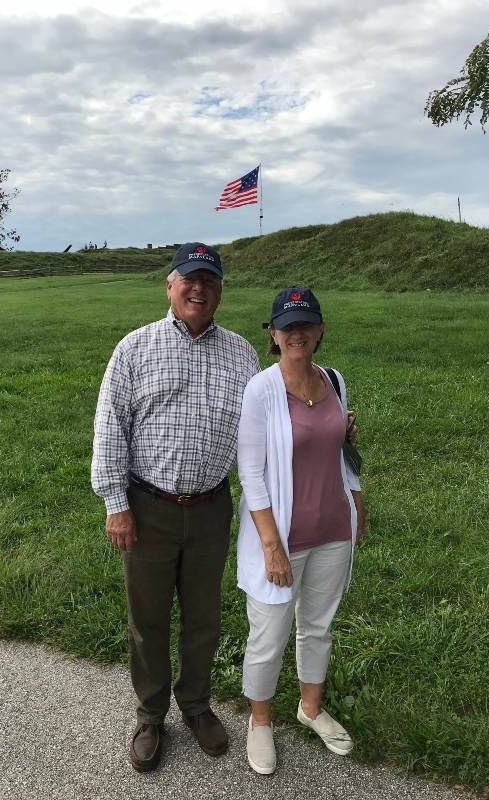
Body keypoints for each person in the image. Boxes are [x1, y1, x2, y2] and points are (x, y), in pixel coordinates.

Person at [91, 242, 259, 773]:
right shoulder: (135, 348)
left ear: (220, 293)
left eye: (208, 281)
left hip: (211, 508)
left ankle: (196, 705)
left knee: (204, 618)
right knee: (148, 619)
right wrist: (116, 503)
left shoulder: (242, 353)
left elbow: (261, 432)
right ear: (170, 285)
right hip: (149, 508)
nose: (198, 289)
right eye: (188, 279)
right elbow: (109, 426)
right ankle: (149, 714)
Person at [236, 285, 365, 775]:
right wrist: (272, 545)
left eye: (306, 323)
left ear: (320, 329)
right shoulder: (262, 390)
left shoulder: (334, 380)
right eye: (287, 326)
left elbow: (338, 449)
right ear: (273, 333)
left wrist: (355, 498)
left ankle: (309, 708)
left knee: (318, 625)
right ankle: (260, 720)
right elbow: (250, 473)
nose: (297, 333)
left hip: (333, 528)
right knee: (268, 633)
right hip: (282, 537)